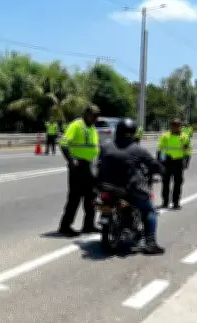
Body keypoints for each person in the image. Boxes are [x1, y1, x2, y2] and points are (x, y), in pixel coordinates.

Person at [98, 119, 165, 254]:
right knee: (149, 210)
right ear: (133, 133)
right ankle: (150, 243)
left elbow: (100, 162)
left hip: (105, 186)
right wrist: (163, 171)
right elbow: (154, 165)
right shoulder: (138, 149)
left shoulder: (105, 146)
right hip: (129, 188)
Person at [58, 104, 101, 236]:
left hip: (90, 165)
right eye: (93, 116)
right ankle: (65, 226)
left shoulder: (92, 128)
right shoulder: (77, 125)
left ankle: (89, 225)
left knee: (91, 197)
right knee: (75, 197)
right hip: (78, 166)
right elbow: (63, 143)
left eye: (97, 116)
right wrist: (71, 160)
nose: (95, 118)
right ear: (86, 114)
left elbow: (95, 147)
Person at [156, 118, 192, 209]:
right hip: (167, 162)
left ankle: (176, 203)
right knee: (165, 183)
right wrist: (158, 161)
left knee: (178, 183)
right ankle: (165, 202)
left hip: (179, 162)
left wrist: (187, 161)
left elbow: (188, 151)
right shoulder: (165, 136)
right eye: (174, 125)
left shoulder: (184, 137)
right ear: (171, 126)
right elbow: (160, 149)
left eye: (178, 125)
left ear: (180, 126)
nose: (176, 127)